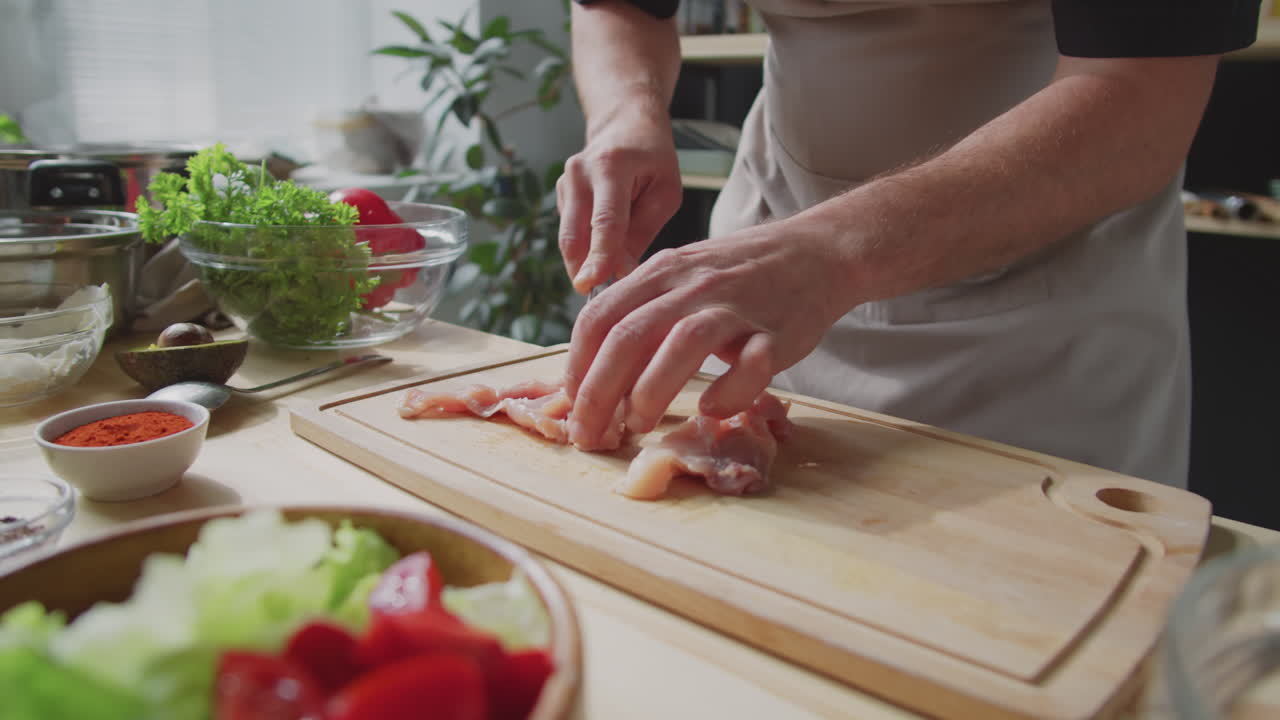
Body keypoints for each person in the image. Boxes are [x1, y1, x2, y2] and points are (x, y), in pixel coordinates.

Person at [557, 0, 1261, 488]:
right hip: (772, 231)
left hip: (1043, 303)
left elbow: (1145, 93)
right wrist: (626, 114)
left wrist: (829, 253)